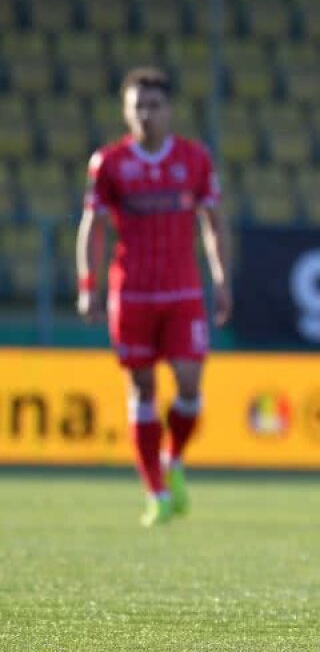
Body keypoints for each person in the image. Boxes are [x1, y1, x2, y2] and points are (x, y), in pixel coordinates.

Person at [76, 67, 231, 527]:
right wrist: (89, 285)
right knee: (141, 388)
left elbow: (213, 222)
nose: (146, 114)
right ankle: (157, 492)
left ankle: (174, 458)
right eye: (137, 106)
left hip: (183, 292)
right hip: (133, 293)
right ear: (125, 111)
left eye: (154, 105)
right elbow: (93, 227)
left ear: (170, 110)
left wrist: (222, 279)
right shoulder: (108, 163)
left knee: (188, 383)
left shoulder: (194, 159)